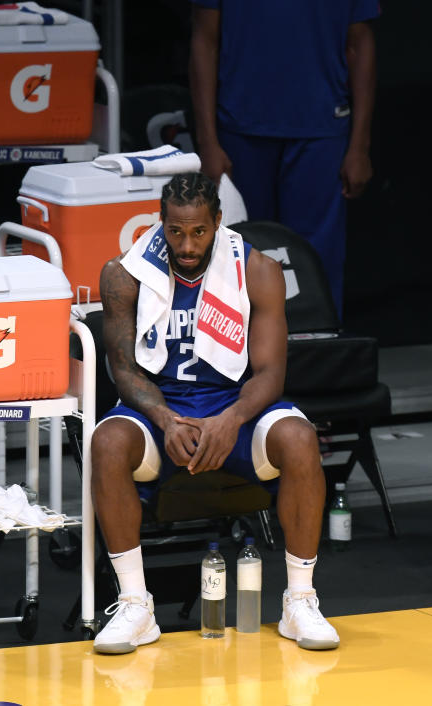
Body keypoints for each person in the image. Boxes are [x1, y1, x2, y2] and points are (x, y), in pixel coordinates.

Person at [90, 173, 339, 654]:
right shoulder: (124, 273)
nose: (186, 244)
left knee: (300, 437)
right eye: (176, 231)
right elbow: (124, 372)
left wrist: (231, 421)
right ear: (160, 223)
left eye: (199, 232)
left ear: (218, 222)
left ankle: (300, 601)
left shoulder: (259, 270)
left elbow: (269, 374)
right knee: (108, 441)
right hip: (158, 411)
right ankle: (135, 606)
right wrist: (165, 419)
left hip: (234, 408)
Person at [189, 1, 378, 318]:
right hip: (240, 126)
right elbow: (204, 40)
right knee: (237, 253)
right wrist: (207, 141)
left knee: (317, 260)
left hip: (320, 127)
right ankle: (242, 358)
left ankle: (317, 352)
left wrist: (360, 145)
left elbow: (360, 44)